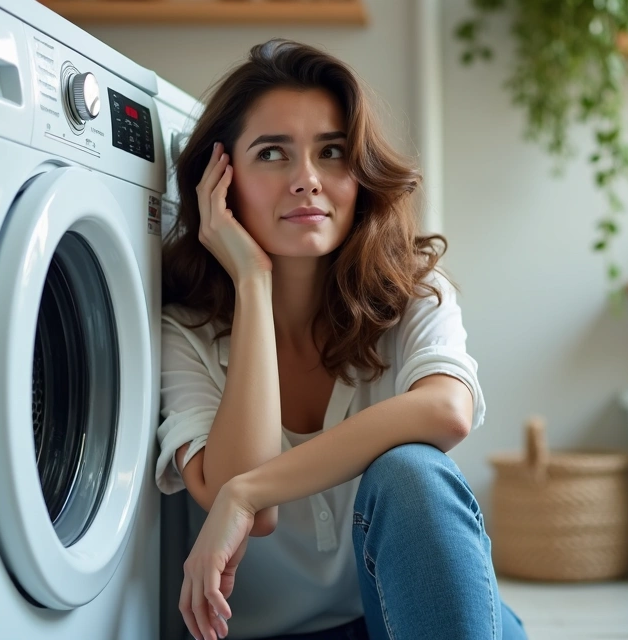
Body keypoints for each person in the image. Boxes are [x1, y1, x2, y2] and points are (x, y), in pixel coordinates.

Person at [155, 38, 527, 640]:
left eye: (331, 152)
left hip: (412, 619)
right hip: (271, 633)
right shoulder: (183, 333)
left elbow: (446, 409)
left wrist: (248, 493)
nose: (307, 180)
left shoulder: (410, 292)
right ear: (220, 184)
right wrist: (252, 283)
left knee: (413, 472)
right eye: (273, 153)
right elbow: (260, 519)